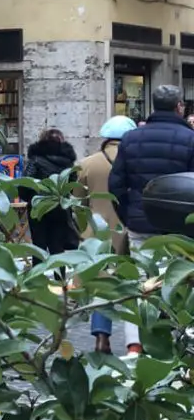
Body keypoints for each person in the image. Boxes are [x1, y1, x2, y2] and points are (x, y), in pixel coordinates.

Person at [109, 84, 194, 356]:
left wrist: (128, 216)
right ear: (179, 106)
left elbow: (117, 184)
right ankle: (174, 339)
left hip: (140, 223)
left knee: (140, 282)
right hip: (180, 228)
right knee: (177, 281)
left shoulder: (131, 139)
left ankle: (135, 344)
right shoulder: (190, 139)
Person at [80, 115, 137, 353]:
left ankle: (101, 336)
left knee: (102, 286)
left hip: (98, 231)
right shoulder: (135, 161)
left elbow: (76, 199)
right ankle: (136, 342)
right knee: (135, 284)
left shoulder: (88, 163)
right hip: (129, 228)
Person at [19, 128, 79, 255]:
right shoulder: (69, 164)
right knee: (58, 248)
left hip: (38, 208)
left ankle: (38, 274)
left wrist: (31, 199)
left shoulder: (35, 160)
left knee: (38, 249)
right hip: (60, 208)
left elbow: (24, 184)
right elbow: (72, 187)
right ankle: (60, 275)